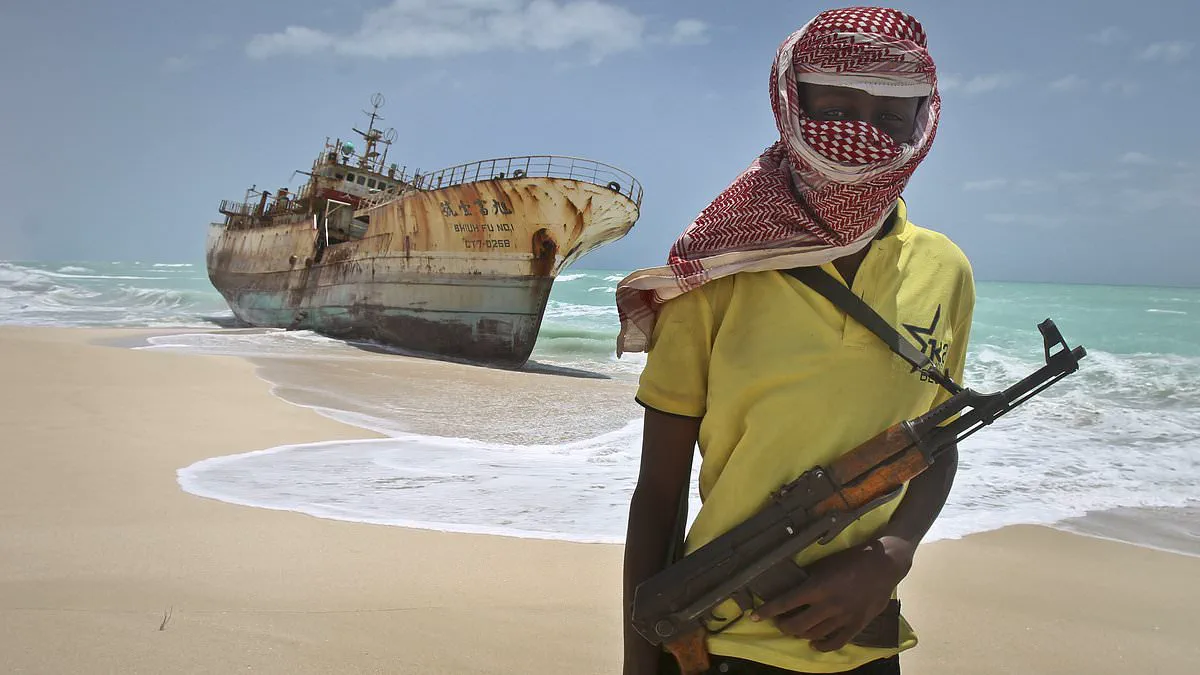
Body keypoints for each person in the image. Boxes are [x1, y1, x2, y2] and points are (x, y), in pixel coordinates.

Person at [616, 7, 975, 675]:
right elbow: (659, 493)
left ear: (921, 123)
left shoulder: (945, 270)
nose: (863, 135)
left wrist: (892, 554)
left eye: (890, 115)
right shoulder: (716, 275)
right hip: (724, 648)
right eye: (836, 109)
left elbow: (937, 439)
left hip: (864, 645)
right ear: (792, 106)